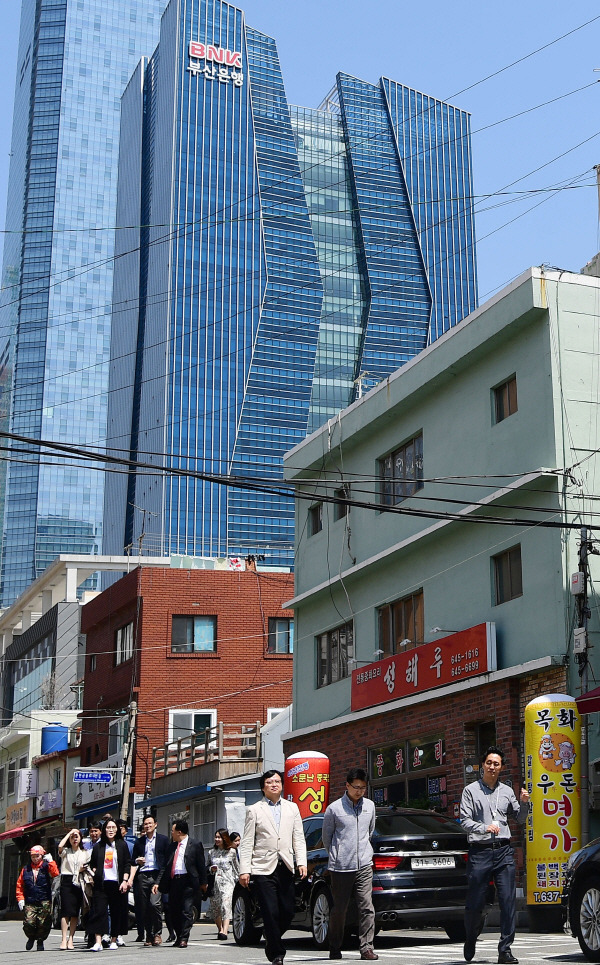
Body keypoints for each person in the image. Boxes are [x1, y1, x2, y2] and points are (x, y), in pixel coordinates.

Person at [460, 745, 530, 965]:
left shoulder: (507, 791)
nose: (492, 767)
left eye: (496, 764)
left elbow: (519, 819)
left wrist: (526, 803)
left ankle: (505, 950)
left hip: (503, 851)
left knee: (508, 900)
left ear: (501, 768)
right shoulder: (470, 790)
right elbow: (464, 822)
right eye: (489, 763)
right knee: (475, 903)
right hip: (480, 852)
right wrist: (484, 828)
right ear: (483, 765)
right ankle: (471, 937)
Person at [238, 769, 307, 965]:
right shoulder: (254, 810)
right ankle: (277, 953)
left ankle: (271, 936)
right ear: (263, 787)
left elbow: (298, 838)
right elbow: (247, 842)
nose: (274, 784)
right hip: (262, 867)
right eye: (270, 782)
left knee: (288, 910)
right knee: (270, 911)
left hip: (285, 864)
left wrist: (301, 862)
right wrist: (245, 869)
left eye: (277, 781)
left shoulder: (292, 808)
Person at [322, 767, 377, 962]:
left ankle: (366, 948)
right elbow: (327, 838)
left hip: (363, 864)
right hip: (341, 867)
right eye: (356, 787)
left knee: (367, 907)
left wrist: (363, 853)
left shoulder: (370, 806)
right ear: (347, 785)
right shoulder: (334, 809)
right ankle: (335, 946)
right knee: (340, 909)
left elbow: (369, 832)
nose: (359, 791)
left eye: (363, 787)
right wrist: (338, 855)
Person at [154, 819, 208, 948]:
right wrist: (158, 883)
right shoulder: (172, 846)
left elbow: (201, 865)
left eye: (172, 831)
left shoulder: (195, 844)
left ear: (179, 832)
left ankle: (184, 938)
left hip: (188, 882)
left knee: (186, 910)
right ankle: (178, 936)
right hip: (174, 882)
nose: (171, 833)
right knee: (174, 911)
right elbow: (165, 867)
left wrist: (203, 882)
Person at [88, 818, 132, 951]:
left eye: (113, 828)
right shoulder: (98, 847)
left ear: (117, 830)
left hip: (117, 883)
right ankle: (98, 942)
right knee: (99, 912)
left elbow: (127, 864)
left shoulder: (121, 845)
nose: (111, 830)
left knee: (116, 912)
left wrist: (125, 881)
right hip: (101, 884)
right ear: (104, 830)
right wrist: (95, 871)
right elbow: (93, 864)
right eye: (108, 828)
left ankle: (114, 939)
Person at [130, 814, 170, 946]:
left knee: (154, 904)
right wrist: (137, 860)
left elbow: (166, 861)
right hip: (143, 875)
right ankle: (149, 935)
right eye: (145, 824)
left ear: (155, 824)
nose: (147, 826)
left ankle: (157, 933)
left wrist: (160, 880)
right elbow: (132, 860)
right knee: (144, 906)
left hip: (157, 874)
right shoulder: (139, 842)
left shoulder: (163, 840)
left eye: (150, 823)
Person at [15, 845, 60, 951]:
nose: (35, 858)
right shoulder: (26, 869)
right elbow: (19, 885)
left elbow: (55, 874)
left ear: (42, 855)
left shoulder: (46, 866)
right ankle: (31, 937)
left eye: (37, 856)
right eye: (33, 856)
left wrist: (51, 862)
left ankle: (40, 940)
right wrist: (20, 899)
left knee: (43, 923)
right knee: (29, 923)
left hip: (44, 900)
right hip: (30, 900)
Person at [57, 827, 91, 950]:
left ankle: (71, 939)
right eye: (72, 837)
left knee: (75, 912)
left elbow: (88, 867)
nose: (74, 838)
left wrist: (81, 870)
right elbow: (60, 847)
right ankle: (63, 939)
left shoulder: (85, 852)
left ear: (81, 838)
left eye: (77, 836)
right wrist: (69, 833)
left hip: (79, 881)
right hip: (66, 881)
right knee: (65, 911)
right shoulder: (66, 851)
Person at [207, 828, 239, 939]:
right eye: (215, 837)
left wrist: (240, 879)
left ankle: (225, 931)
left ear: (224, 838)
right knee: (216, 908)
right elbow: (206, 868)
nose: (217, 839)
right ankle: (220, 929)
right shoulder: (211, 852)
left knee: (226, 905)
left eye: (219, 837)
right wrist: (211, 869)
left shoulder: (232, 852)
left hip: (228, 882)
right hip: (215, 884)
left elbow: (236, 868)